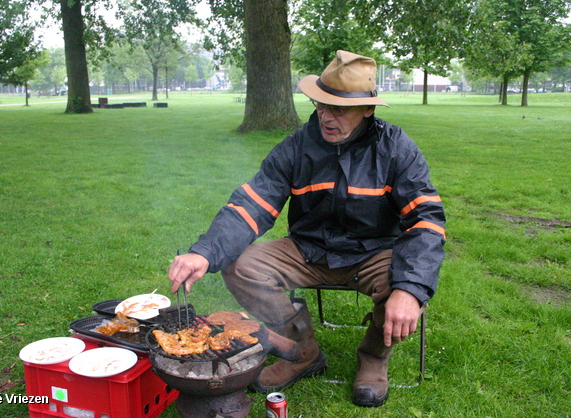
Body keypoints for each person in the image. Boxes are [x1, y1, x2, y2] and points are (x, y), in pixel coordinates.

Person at [168, 50, 446, 407]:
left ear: (368, 110)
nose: (326, 118)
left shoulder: (396, 150)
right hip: (308, 249)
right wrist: (204, 252)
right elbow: (252, 204)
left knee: (404, 284)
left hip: (373, 252)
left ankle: (375, 356)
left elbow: (426, 221)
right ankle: (301, 351)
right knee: (240, 263)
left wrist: (410, 288)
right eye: (320, 106)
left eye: (339, 109)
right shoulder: (297, 146)